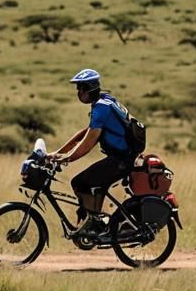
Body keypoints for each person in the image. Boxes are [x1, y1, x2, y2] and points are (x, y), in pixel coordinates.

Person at [48, 68, 133, 238]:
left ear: (89, 89)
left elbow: (87, 144)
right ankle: (96, 221)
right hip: (122, 156)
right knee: (92, 184)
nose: (78, 92)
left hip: (121, 160)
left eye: (80, 88)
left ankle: (95, 224)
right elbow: (85, 133)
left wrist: (66, 158)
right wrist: (58, 153)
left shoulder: (101, 108)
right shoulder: (104, 101)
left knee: (80, 183)